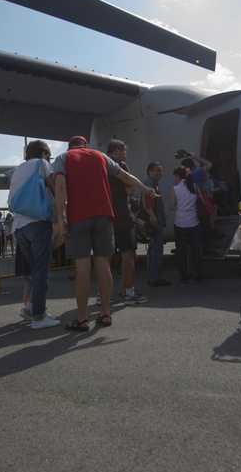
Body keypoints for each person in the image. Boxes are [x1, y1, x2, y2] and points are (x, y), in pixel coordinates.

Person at [52, 135, 155, 331]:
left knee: (82, 267)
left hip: (79, 217)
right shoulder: (100, 156)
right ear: (86, 146)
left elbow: (60, 185)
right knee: (103, 265)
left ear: (70, 147)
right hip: (104, 216)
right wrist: (145, 188)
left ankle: (82, 319)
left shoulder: (63, 158)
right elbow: (126, 177)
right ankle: (105, 314)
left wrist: (60, 216)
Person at [8, 140, 59, 329]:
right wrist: (63, 211)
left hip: (19, 227)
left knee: (34, 271)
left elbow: (10, 204)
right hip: (38, 224)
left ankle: (30, 307)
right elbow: (56, 188)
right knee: (41, 272)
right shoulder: (42, 164)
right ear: (44, 153)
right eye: (49, 155)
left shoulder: (16, 172)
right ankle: (39, 316)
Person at [106, 139, 148, 305]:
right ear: (116, 151)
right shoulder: (121, 166)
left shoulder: (101, 167)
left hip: (106, 217)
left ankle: (104, 295)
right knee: (128, 255)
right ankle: (129, 293)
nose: (125, 155)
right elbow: (130, 190)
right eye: (124, 152)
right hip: (123, 217)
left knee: (106, 257)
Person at [170, 166, 205, 285]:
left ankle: (184, 278)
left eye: (175, 176)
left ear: (178, 176)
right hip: (194, 223)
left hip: (180, 224)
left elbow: (171, 206)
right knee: (196, 251)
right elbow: (202, 202)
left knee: (182, 252)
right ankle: (199, 277)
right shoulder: (194, 186)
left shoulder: (175, 189)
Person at [143, 162, 171, 287]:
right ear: (149, 171)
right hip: (155, 222)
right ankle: (155, 278)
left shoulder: (154, 183)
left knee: (153, 249)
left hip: (157, 220)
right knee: (156, 250)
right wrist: (152, 215)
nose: (160, 173)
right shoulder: (150, 183)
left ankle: (152, 277)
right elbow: (146, 200)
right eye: (157, 170)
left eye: (160, 170)